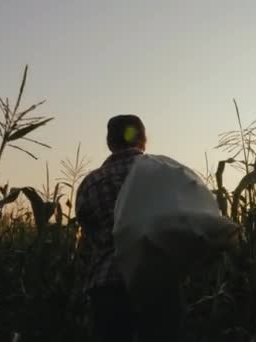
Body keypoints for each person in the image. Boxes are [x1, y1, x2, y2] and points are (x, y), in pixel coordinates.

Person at [75, 115, 182, 342]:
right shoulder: (166, 173)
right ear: (143, 138)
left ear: (110, 142)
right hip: (159, 284)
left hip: (108, 288)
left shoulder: (91, 183)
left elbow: (89, 238)